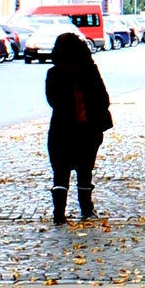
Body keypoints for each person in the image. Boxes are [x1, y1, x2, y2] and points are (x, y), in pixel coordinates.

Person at [45, 30, 113, 222]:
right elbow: (103, 98)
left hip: (61, 130)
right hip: (87, 129)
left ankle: (59, 213)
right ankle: (86, 209)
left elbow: (52, 101)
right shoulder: (90, 70)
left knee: (60, 171)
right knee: (85, 170)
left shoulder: (54, 73)